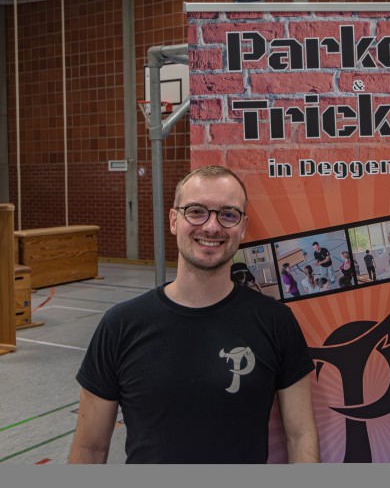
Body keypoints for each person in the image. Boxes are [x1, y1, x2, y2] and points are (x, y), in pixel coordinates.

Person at [68, 165, 319, 464]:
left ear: (242, 226)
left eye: (228, 214)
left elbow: (301, 435)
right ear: (174, 220)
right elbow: (90, 449)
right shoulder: (120, 325)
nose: (212, 227)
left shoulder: (276, 322)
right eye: (197, 211)